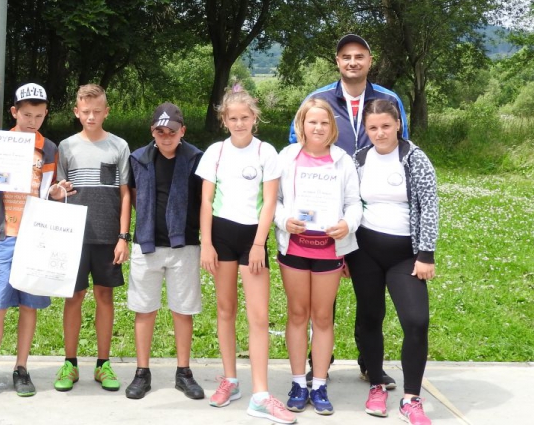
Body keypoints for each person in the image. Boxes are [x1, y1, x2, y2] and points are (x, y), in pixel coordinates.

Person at [288, 33, 408, 389]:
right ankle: (318, 364)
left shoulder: (388, 100)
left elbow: (401, 146)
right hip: (325, 216)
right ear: (337, 62)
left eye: (359, 56)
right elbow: (296, 147)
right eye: (346, 56)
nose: (352, 62)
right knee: (320, 298)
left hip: (370, 213)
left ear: (370, 60)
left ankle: (370, 364)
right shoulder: (319, 100)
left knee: (369, 297)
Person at [198, 87, 295, 424]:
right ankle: (230, 380)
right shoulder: (215, 152)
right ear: (224, 120)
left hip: (252, 239)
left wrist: (257, 244)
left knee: (258, 316)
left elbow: (269, 203)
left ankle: (261, 395)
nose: (239, 123)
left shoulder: (266, 152)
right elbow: (206, 201)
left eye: (245, 117)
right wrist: (206, 243)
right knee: (225, 310)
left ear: (255, 117)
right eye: (233, 118)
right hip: (221, 237)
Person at [347, 100, 438, 425]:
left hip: (405, 256)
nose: (380, 133)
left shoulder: (414, 158)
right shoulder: (359, 159)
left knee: (416, 321)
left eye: (386, 126)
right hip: (365, 253)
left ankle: (411, 399)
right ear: (366, 130)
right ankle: (375, 383)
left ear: (398, 124)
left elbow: (429, 206)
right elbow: (349, 204)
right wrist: (344, 251)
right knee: (370, 317)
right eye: (373, 128)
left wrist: (426, 254)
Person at [0, 82, 59, 404]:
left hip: (35, 237)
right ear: (14, 112)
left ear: (45, 114)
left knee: (29, 305)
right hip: (4, 235)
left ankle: (22, 368)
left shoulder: (49, 149)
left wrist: (56, 193)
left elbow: (48, 191)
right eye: (26, 115)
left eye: (39, 115)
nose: (32, 121)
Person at [274, 99, 361, 416]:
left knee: (323, 317)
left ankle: (320, 384)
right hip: (295, 248)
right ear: (302, 125)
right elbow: (273, 199)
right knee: (298, 314)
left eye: (324, 122)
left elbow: (354, 203)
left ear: (332, 127)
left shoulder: (343, 161)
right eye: (312, 122)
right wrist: (283, 220)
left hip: (328, 249)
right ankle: (299, 383)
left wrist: (347, 224)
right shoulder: (287, 157)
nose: (318, 128)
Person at [53, 84, 132, 393]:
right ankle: (70, 363)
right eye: (85, 112)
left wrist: (123, 236)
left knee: (105, 297)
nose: (91, 117)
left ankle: (103, 364)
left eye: (97, 111)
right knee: (73, 297)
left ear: (106, 112)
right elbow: (59, 191)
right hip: (73, 236)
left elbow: (125, 194)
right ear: (76, 112)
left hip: (107, 235)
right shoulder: (66, 147)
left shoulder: (119, 146)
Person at [124, 102, 205, 401]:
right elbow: (133, 196)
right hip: (147, 245)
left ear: (182, 131)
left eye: (172, 131)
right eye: (161, 131)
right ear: (152, 132)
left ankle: (183, 372)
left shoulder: (195, 159)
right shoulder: (138, 158)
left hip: (184, 246)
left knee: (183, 310)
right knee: (144, 309)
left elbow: (205, 201)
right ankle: (141, 372)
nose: (166, 136)